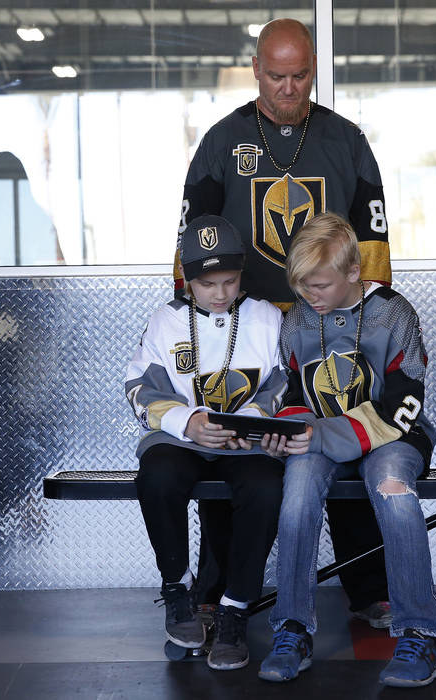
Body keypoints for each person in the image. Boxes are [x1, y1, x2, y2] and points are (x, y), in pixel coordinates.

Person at [176, 17, 393, 627]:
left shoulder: (347, 141)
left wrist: (370, 319)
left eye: (300, 76)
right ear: (255, 69)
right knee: (234, 450)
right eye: (276, 76)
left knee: (342, 438)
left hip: (329, 329)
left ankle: (367, 588)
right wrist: (198, 323)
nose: (289, 88)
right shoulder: (222, 142)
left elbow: (372, 244)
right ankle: (215, 591)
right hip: (244, 330)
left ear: (313, 69)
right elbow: (191, 245)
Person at [258, 214, 436, 688]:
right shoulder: (297, 318)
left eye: (319, 284)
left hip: (394, 436)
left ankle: (421, 633)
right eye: (301, 285)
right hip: (319, 437)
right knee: (297, 491)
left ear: (354, 272)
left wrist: (318, 435)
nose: (309, 295)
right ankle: (292, 627)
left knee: (393, 488)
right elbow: (291, 393)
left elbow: (403, 405)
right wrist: (286, 431)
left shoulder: (394, 313)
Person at [127, 215, 286, 671]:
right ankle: (177, 587)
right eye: (207, 283)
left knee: (265, 486)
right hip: (182, 441)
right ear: (187, 279)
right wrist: (188, 420)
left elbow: (283, 382)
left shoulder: (266, 317)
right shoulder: (166, 320)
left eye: (229, 281)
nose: (220, 293)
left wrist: (250, 421)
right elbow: (139, 387)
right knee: (158, 475)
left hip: (245, 442)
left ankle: (235, 607)